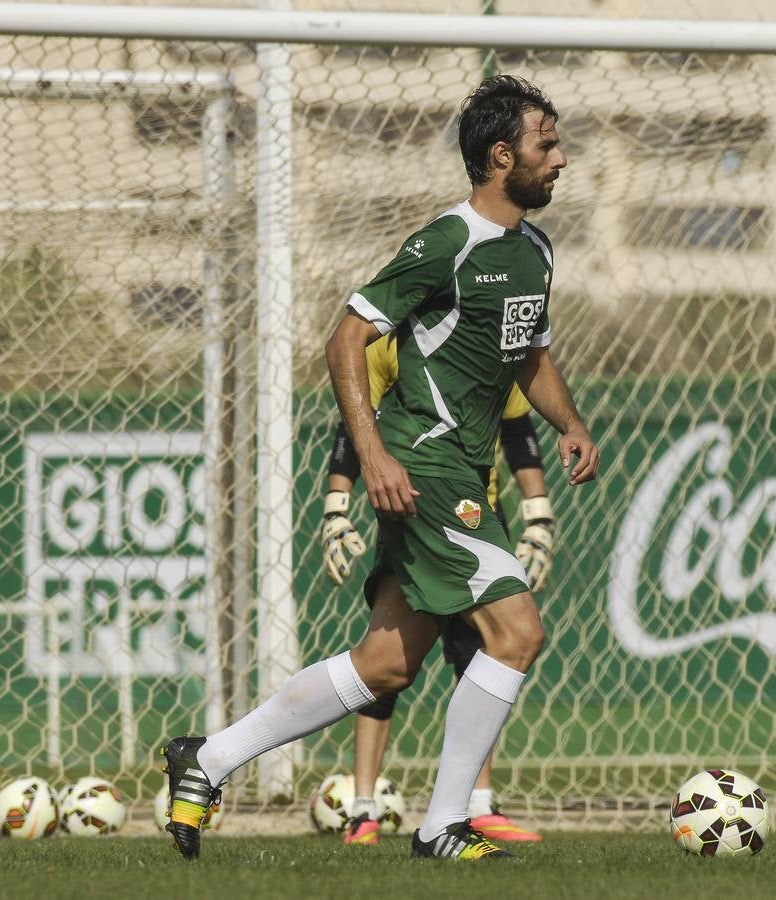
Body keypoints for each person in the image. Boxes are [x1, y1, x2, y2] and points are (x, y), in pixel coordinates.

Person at [161, 73, 598, 863]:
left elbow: (527, 353)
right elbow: (345, 339)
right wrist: (372, 454)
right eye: (547, 144)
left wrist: (568, 424)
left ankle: (210, 759)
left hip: (468, 472)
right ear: (501, 156)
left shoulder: (533, 248)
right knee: (517, 631)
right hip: (424, 467)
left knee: (386, 664)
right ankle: (441, 825)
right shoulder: (445, 242)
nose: (561, 159)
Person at [321, 332, 556, 846]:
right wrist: (336, 504)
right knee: (387, 662)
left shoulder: (491, 325)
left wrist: (539, 516)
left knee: (483, 653)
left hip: (478, 512)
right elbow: (356, 419)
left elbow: (516, 429)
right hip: (413, 501)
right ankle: (363, 807)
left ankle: (475, 804)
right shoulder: (388, 339)